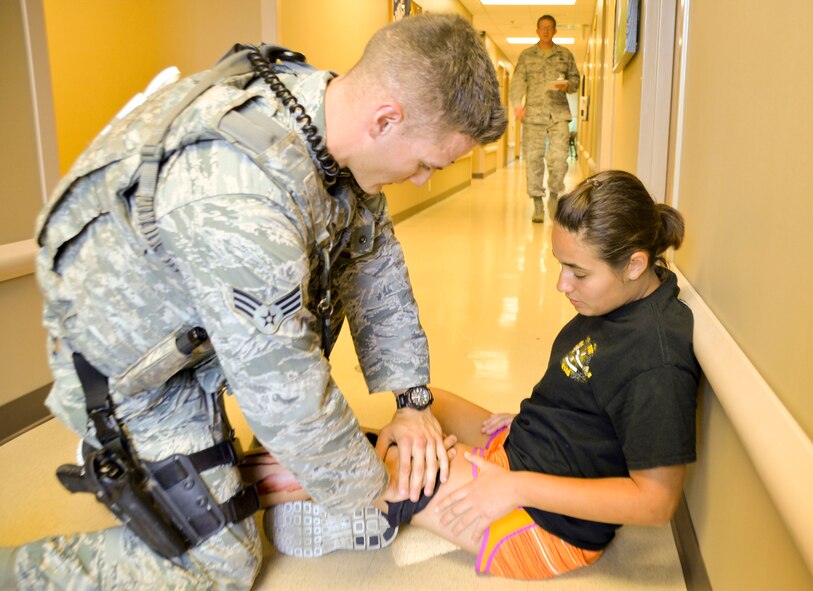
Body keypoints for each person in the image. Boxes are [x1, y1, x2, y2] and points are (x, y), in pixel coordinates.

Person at [0, 14, 505, 590]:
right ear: (385, 120)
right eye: (425, 164)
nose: (420, 181)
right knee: (224, 566)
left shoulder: (329, 118)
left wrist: (413, 402)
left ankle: (252, 463)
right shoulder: (239, 196)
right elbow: (285, 389)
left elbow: (375, 265)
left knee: (319, 309)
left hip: (207, 338)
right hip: (135, 378)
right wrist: (381, 488)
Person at [268, 170, 700, 580]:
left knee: (400, 464)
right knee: (422, 403)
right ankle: (372, 473)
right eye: (561, 265)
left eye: (579, 272)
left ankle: (352, 501)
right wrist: (539, 417)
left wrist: (515, 488)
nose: (562, 284)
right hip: (531, 448)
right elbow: (593, 394)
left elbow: (656, 503)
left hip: (550, 524)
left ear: (635, 264)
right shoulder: (619, 298)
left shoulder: (657, 359)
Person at [510, 14, 580, 223]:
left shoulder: (565, 55)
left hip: (558, 113)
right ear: (537, 30)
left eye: (550, 28)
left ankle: (554, 195)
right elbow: (517, 82)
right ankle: (537, 203)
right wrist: (517, 105)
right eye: (542, 27)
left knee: (559, 159)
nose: (546, 31)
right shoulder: (526, 55)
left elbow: (576, 80)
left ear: (555, 31)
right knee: (533, 159)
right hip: (533, 115)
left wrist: (567, 85)